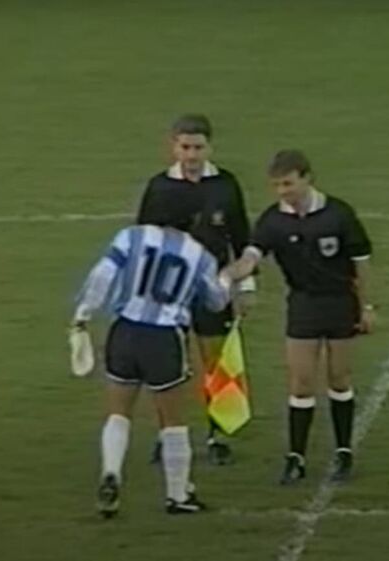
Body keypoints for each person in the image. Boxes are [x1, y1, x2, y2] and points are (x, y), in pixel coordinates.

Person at [70, 187, 232, 517]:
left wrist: (83, 315)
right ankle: (177, 495)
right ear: (192, 217)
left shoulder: (131, 237)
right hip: (165, 339)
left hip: (125, 331)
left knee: (118, 412)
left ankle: (111, 472)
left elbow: (102, 276)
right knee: (172, 421)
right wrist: (228, 281)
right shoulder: (199, 254)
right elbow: (216, 301)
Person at [224, 149, 374, 484]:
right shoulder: (273, 220)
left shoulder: (338, 214)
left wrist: (366, 307)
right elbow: (251, 257)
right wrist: (229, 275)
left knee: (339, 377)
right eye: (277, 185)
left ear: (307, 178)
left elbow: (361, 264)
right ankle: (296, 456)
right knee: (301, 380)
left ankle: (344, 451)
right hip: (303, 305)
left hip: (340, 303)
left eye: (288, 183)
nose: (283, 192)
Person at [137, 114, 254, 465]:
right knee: (167, 364)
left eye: (198, 148)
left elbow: (241, 236)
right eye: (185, 147)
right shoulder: (159, 188)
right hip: (167, 292)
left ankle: (216, 435)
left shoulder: (226, 185)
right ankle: (167, 434)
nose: (191, 155)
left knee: (214, 362)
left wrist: (245, 284)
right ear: (173, 146)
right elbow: (144, 242)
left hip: (211, 289)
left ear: (209, 147)